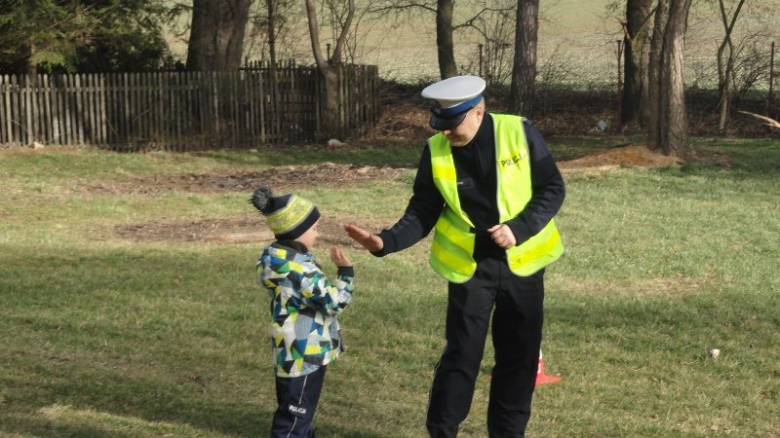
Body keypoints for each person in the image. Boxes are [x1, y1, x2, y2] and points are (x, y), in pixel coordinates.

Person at [344, 75, 565, 438]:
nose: (446, 133)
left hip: (522, 266)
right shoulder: (435, 150)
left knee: (519, 359)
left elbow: (552, 188)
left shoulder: (519, 131)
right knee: (461, 357)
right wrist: (385, 242)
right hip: (469, 270)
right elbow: (422, 211)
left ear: (478, 112)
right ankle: (442, 432)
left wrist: (519, 228)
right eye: (440, 125)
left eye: (453, 124)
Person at [251, 186, 355, 438]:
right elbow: (333, 302)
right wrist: (345, 273)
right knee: (296, 413)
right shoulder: (300, 270)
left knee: (294, 403)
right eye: (315, 228)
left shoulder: (273, 260)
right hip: (306, 352)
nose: (317, 235)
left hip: (287, 349)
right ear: (297, 232)